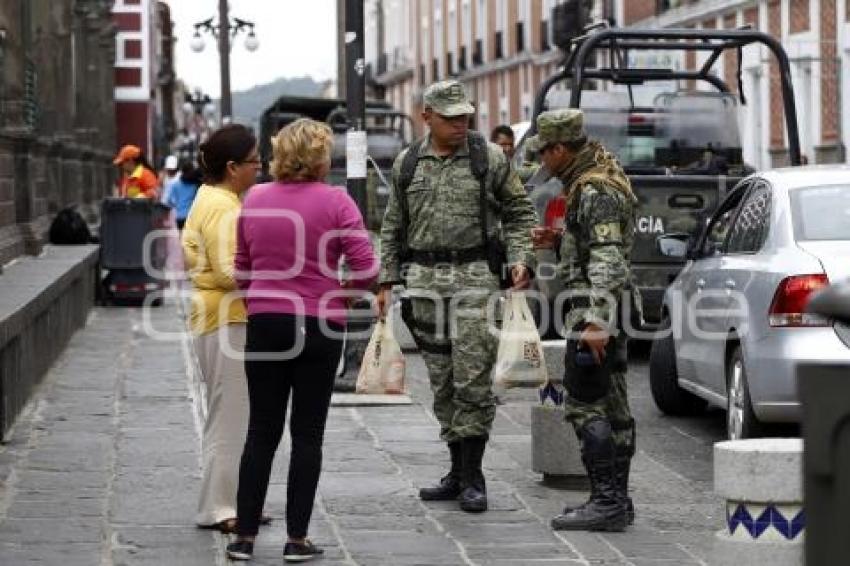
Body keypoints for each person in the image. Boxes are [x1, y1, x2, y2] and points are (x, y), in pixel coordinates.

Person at [377, 80, 536, 514]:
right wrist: (385, 280)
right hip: (426, 282)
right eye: (450, 117)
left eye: (465, 115)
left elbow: (520, 212)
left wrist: (520, 257)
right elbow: (392, 226)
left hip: (474, 279)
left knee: (472, 379)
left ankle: (474, 476)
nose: (460, 123)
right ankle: (455, 470)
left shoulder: (490, 158)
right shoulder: (408, 163)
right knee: (442, 381)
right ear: (426, 115)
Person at [226, 118, 378, 562]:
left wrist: (258, 301)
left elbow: (241, 267)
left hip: (268, 323)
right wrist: (341, 296)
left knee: (261, 431)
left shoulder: (255, 198)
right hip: (319, 324)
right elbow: (366, 268)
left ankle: (245, 537)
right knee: (307, 435)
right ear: (319, 157)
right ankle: (296, 540)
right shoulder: (336, 202)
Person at [529, 108, 639, 532]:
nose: (542, 162)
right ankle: (617, 501)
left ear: (560, 149)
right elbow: (597, 245)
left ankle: (607, 501)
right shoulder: (597, 175)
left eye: (544, 154)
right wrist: (560, 240)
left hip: (596, 310)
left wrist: (594, 320)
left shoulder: (593, 189)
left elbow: (608, 258)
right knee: (614, 406)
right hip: (611, 306)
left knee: (583, 402)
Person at [181, 124, 261, 535]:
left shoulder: (207, 198)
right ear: (232, 167)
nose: (259, 168)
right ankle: (222, 506)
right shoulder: (226, 207)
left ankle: (236, 498)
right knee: (232, 417)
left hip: (210, 313)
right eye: (253, 162)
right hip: (227, 317)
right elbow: (232, 272)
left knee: (227, 414)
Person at [167, 162, 202, 232]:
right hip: (192, 216)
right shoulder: (195, 185)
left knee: (182, 238)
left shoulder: (175, 184)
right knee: (192, 240)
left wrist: (177, 205)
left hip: (179, 216)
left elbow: (169, 200)